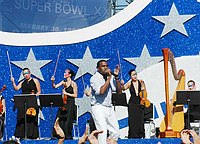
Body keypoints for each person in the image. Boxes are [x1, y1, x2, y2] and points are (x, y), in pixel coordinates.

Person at [90, 60, 121, 144]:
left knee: (116, 132)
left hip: (109, 107)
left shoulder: (109, 77)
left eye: (106, 65)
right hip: (98, 107)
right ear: (98, 68)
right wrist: (109, 79)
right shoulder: (94, 78)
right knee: (102, 132)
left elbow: (119, 91)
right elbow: (101, 91)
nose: (106, 67)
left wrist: (117, 77)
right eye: (103, 66)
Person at [11, 68, 41, 139]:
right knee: (22, 117)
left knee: (31, 117)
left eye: (27, 73)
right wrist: (13, 82)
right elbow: (16, 88)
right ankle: (21, 135)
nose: (26, 75)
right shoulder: (22, 82)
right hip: (23, 101)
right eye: (24, 74)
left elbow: (39, 91)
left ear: (30, 73)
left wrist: (33, 95)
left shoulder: (35, 80)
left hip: (32, 101)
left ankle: (31, 135)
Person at [51, 68, 78, 141]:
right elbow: (55, 86)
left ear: (69, 75)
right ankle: (58, 134)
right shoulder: (63, 82)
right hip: (63, 103)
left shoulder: (73, 84)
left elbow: (75, 95)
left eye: (66, 73)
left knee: (68, 120)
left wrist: (66, 93)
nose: (64, 74)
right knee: (59, 118)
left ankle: (67, 135)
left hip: (70, 103)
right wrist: (53, 82)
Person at [121, 69, 145, 138]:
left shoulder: (140, 81)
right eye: (133, 75)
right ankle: (133, 135)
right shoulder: (129, 83)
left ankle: (141, 134)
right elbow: (123, 88)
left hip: (140, 102)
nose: (135, 76)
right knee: (132, 119)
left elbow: (144, 91)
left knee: (140, 119)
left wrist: (143, 86)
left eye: (135, 74)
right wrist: (122, 84)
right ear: (130, 76)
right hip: (132, 103)